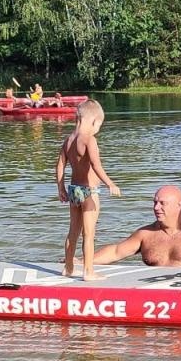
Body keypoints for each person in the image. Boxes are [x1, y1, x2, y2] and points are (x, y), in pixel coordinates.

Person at [56, 100, 121, 281]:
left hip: (73, 190)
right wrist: (110, 184)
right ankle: (88, 271)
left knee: (73, 232)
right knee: (89, 234)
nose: (97, 130)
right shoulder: (89, 139)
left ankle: (69, 268)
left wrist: (60, 188)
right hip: (89, 192)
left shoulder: (68, 140)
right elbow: (96, 165)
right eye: (98, 126)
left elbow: (60, 165)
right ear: (93, 121)